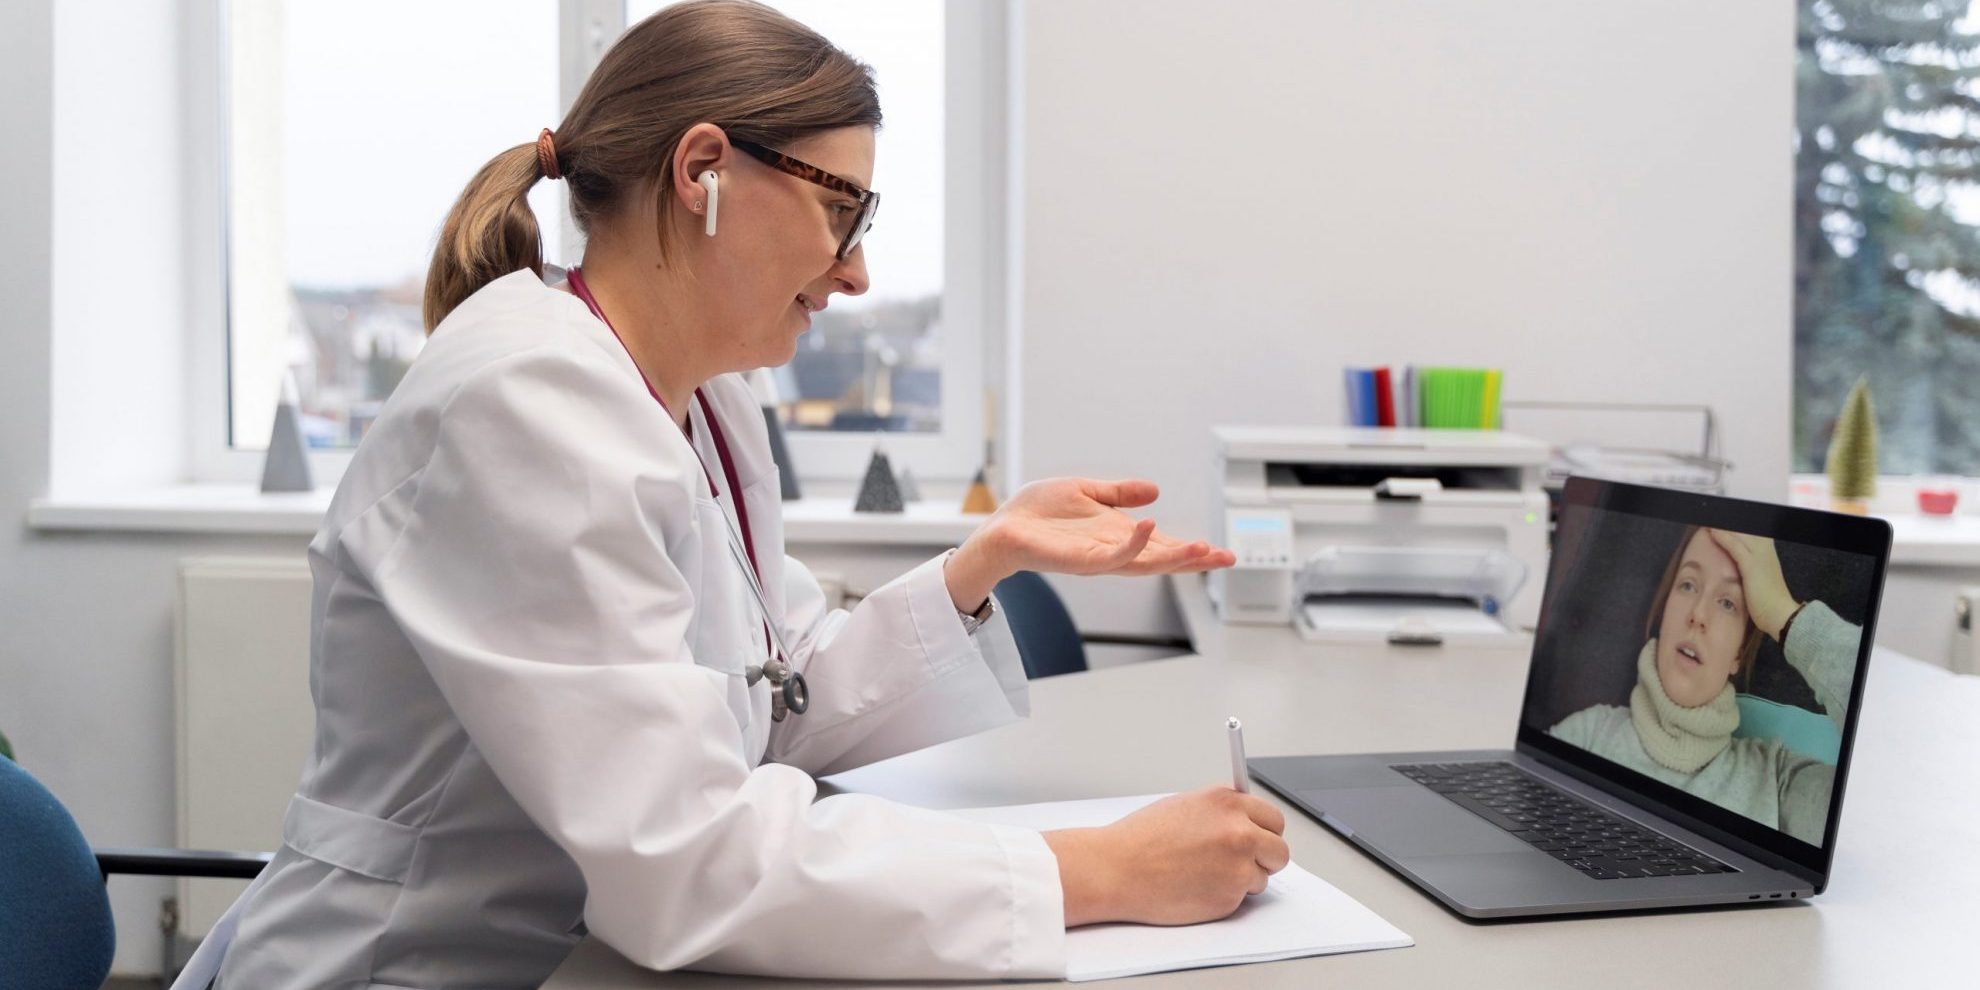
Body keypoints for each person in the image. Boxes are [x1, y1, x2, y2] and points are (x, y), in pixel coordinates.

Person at [198, 3, 1286, 988]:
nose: (856, 272)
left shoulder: (707, 400)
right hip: (416, 965)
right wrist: (1099, 871)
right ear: (703, 169)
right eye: (842, 212)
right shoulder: (524, 404)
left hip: (578, 955)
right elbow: (686, 860)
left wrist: (981, 563)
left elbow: (772, 701)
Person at [1549, 525, 1861, 845]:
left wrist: (1786, 617)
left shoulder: (1780, 786)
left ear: (1738, 653)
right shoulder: (1587, 737)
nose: (1698, 614)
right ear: (1664, 610)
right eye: (1687, 585)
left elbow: (1896, 760)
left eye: (1727, 603)